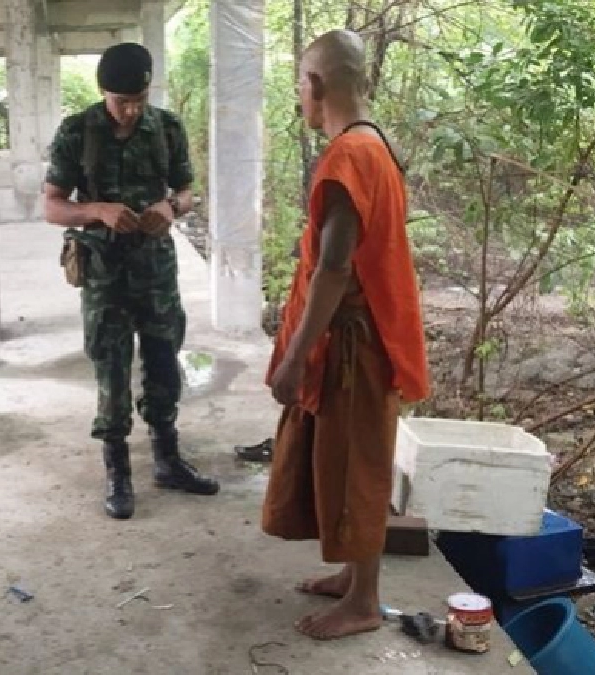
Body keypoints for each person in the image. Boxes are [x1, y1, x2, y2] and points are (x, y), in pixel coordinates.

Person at [260, 29, 430, 641]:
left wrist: (294, 359)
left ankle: (364, 602)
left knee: (358, 467)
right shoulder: (374, 145)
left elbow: (334, 270)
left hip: (355, 342)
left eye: (299, 87)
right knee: (347, 461)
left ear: (315, 85)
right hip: (365, 333)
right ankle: (354, 581)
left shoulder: (346, 158)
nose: (298, 100)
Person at [43, 43, 219, 520]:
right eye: (123, 100)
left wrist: (173, 207)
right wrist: (96, 210)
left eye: (140, 97)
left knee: (163, 363)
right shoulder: (77, 132)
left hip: (156, 269)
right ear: (104, 92)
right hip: (104, 273)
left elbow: (187, 191)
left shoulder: (166, 127)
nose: (132, 109)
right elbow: (52, 205)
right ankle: (117, 469)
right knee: (111, 369)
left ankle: (167, 457)